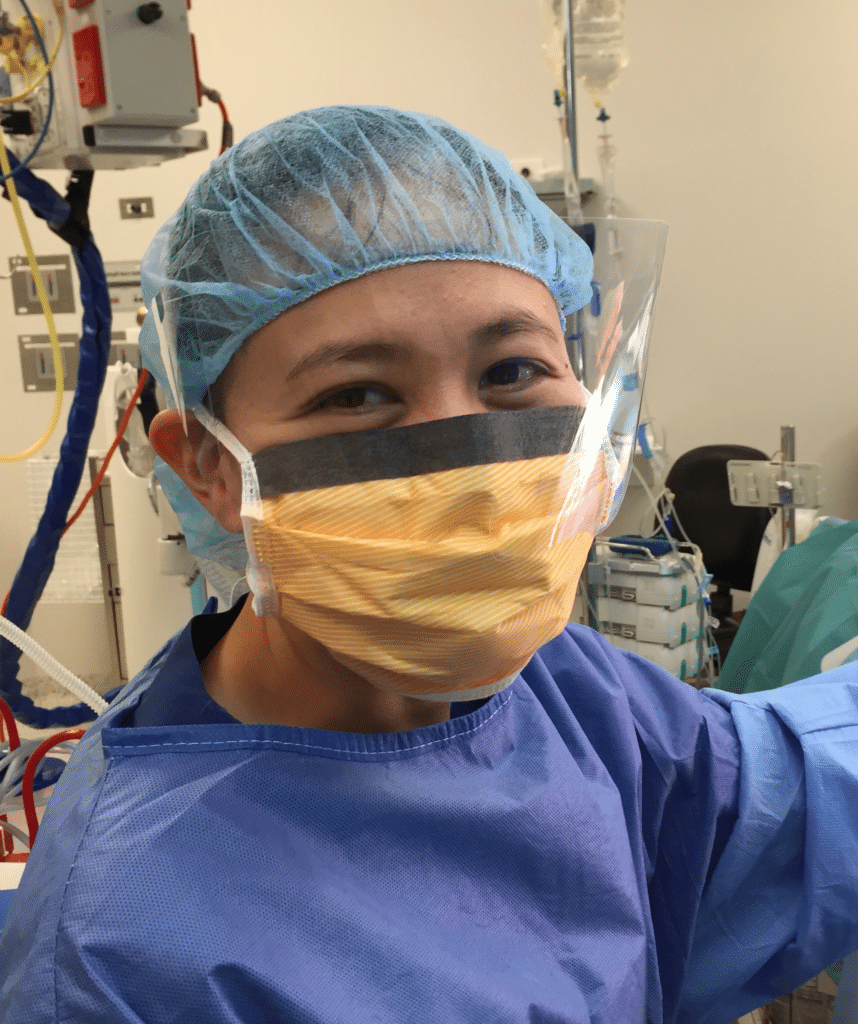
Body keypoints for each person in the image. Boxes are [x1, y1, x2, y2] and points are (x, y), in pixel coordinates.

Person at [2, 105, 858, 1024]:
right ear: (209, 465)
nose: (470, 475)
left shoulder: (568, 697)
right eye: (357, 393)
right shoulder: (115, 952)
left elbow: (783, 794)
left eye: (511, 372)